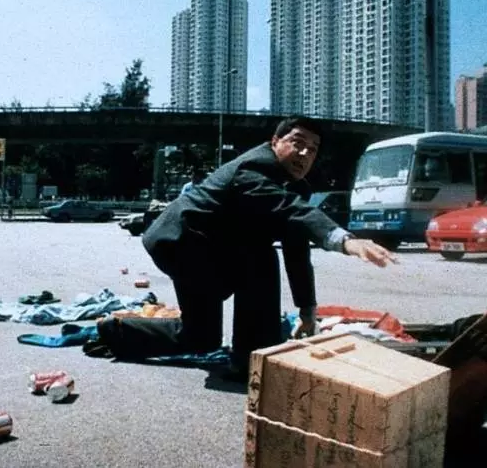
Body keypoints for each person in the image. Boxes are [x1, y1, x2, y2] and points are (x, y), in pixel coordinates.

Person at [108, 116, 397, 381]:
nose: (304, 154)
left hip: (211, 247)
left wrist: (307, 311)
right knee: (258, 262)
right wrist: (344, 240)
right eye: (297, 143)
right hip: (181, 243)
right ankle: (251, 360)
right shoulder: (255, 167)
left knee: (202, 336)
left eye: (313, 149)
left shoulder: (297, 187)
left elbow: (297, 250)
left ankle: (118, 333)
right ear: (275, 141)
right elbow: (289, 209)